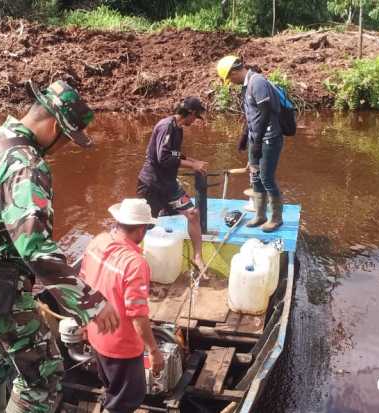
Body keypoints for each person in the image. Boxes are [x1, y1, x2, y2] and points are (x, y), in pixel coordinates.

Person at [0, 80, 120, 413]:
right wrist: (91, 303)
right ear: (54, 125)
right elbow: (35, 247)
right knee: (43, 377)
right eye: (65, 139)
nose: (63, 147)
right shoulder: (25, 163)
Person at [79, 198, 165, 413]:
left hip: (96, 335)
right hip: (122, 347)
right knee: (127, 400)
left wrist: (83, 325)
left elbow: (80, 286)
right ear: (141, 230)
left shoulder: (97, 241)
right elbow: (137, 315)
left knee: (111, 386)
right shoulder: (135, 264)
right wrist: (154, 351)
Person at [136, 97, 209, 269]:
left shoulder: (179, 129)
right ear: (190, 113)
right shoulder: (166, 126)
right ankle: (136, 260)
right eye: (196, 116)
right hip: (151, 185)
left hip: (169, 184)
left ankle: (197, 257)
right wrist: (193, 165)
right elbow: (163, 157)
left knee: (192, 214)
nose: (195, 120)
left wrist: (193, 160)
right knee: (144, 224)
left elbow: (174, 154)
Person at [216, 55, 284, 232]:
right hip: (256, 138)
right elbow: (251, 115)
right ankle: (260, 215)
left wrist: (258, 142)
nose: (230, 82)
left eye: (230, 78)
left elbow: (266, 112)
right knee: (255, 176)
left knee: (266, 178)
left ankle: (276, 219)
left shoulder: (258, 82)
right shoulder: (246, 87)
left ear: (235, 71)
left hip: (269, 138)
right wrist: (245, 137)